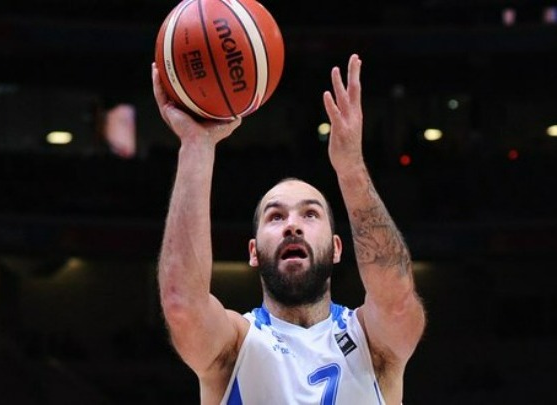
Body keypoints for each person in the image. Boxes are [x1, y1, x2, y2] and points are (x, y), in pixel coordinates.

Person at [154, 54, 426, 405]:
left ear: (337, 247)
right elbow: (182, 305)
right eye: (275, 217)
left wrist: (351, 170)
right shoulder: (235, 346)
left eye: (310, 214)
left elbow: (398, 302)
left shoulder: (373, 342)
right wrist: (196, 145)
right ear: (253, 251)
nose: (292, 226)